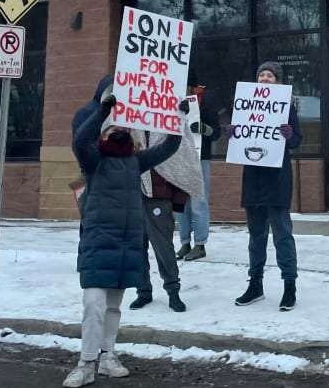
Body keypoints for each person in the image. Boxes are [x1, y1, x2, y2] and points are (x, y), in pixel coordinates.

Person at [65, 75, 181, 387]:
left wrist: (177, 116)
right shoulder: (94, 160)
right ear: (103, 132)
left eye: (124, 127)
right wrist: (103, 110)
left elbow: (170, 146)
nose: (120, 131)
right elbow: (79, 141)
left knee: (113, 306)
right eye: (114, 127)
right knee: (93, 303)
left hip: (126, 242)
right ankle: (86, 362)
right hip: (98, 240)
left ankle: (108, 356)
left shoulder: (136, 161)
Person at [235, 61, 303, 311]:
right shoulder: (246, 105)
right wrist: (233, 133)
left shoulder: (286, 107)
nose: (265, 78)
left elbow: (297, 141)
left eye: (270, 76)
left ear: (278, 81)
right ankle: (255, 284)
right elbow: (238, 137)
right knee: (256, 236)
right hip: (253, 177)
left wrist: (289, 135)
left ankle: (289, 286)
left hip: (277, 179)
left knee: (282, 235)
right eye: (261, 74)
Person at [129, 99, 206, 314]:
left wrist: (179, 116)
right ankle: (142, 291)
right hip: (131, 191)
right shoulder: (127, 117)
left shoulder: (167, 116)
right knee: (136, 246)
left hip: (158, 192)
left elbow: (180, 150)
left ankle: (173, 291)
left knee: (163, 246)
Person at [176, 71, 221, 262]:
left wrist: (204, 129)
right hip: (177, 157)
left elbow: (217, 133)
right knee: (179, 203)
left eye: (185, 86)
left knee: (198, 202)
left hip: (200, 157)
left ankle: (200, 243)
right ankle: (185, 241)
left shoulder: (206, 105)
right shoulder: (172, 103)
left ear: (192, 88)